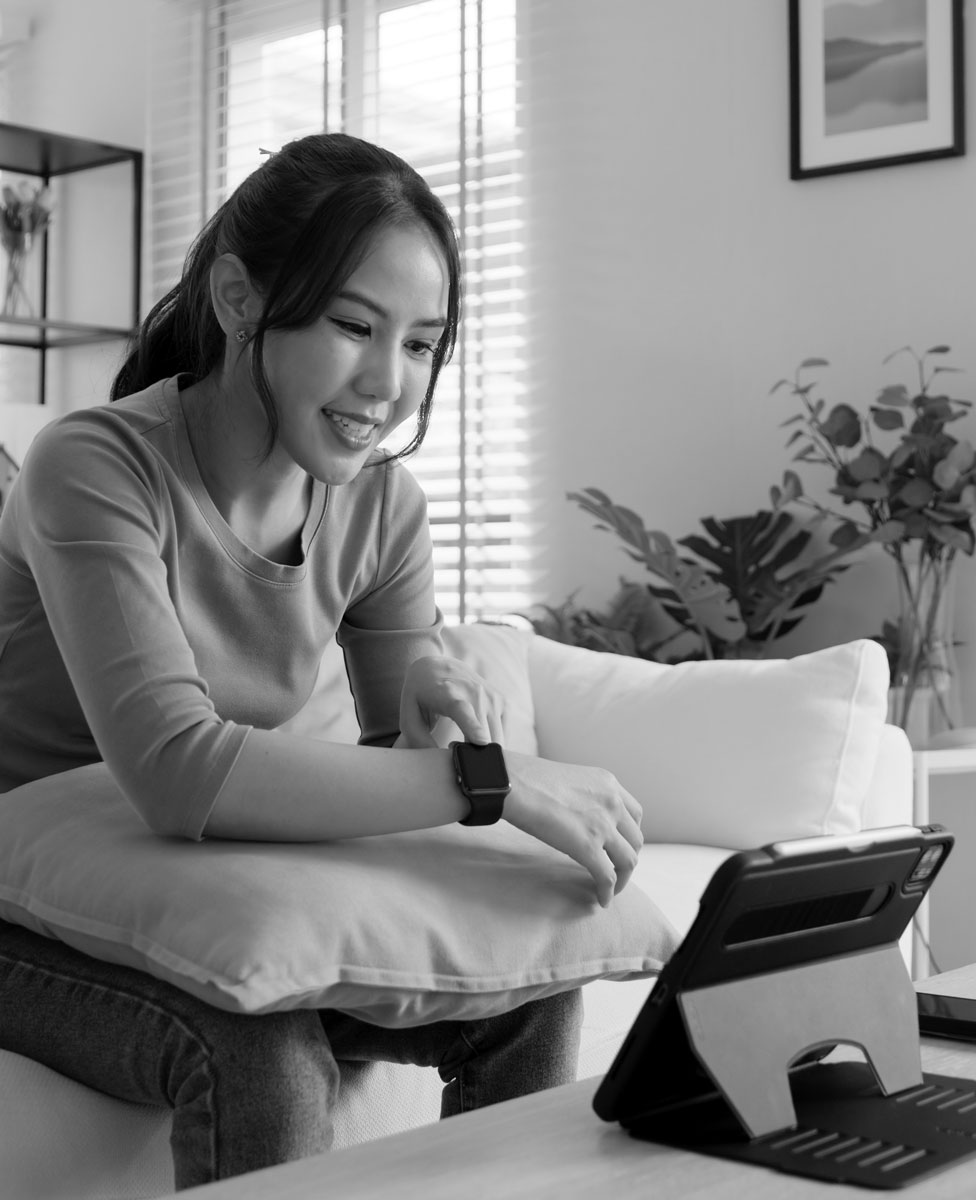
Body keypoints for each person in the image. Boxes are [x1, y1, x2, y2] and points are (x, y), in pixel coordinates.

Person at [0, 132, 643, 1189]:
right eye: (354, 326)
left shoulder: (382, 508)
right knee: (255, 1046)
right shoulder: (96, 467)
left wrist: (442, 714)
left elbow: (399, 770)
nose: (387, 383)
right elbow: (174, 768)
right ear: (241, 300)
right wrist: (494, 778)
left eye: (422, 344)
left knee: (527, 989)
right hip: (29, 903)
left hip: (214, 893)